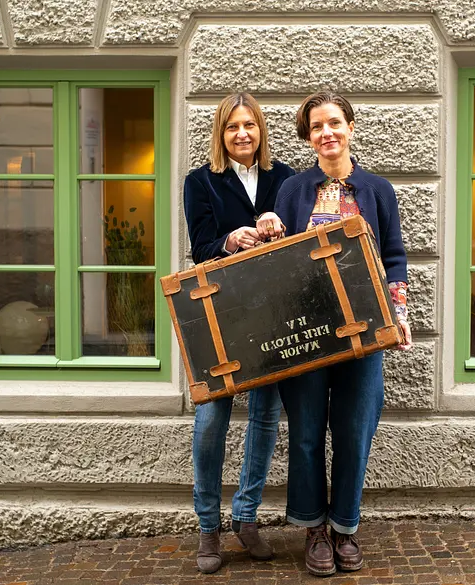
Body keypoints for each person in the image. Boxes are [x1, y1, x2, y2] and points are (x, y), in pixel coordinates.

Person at [258, 90, 413, 577]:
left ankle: (345, 527)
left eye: (334, 123)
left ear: (350, 127)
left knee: (354, 430)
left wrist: (398, 312)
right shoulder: (292, 190)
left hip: (364, 330)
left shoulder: (378, 190)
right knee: (306, 433)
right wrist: (267, 226)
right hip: (305, 331)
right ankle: (314, 529)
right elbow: (279, 259)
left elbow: (394, 257)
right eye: (316, 127)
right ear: (308, 138)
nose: (326, 133)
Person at [182, 92, 296, 574]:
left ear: (261, 130)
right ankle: (208, 526)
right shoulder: (200, 181)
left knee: (266, 417)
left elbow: (301, 240)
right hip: (219, 314)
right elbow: (199, 248)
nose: (242, 133)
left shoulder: (285, 178)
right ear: (221, 134)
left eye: (249, 125)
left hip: (272, 311)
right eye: (232, 126)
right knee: (212, 420)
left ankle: (246, 517)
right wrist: (229, 240)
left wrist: (278, 225)